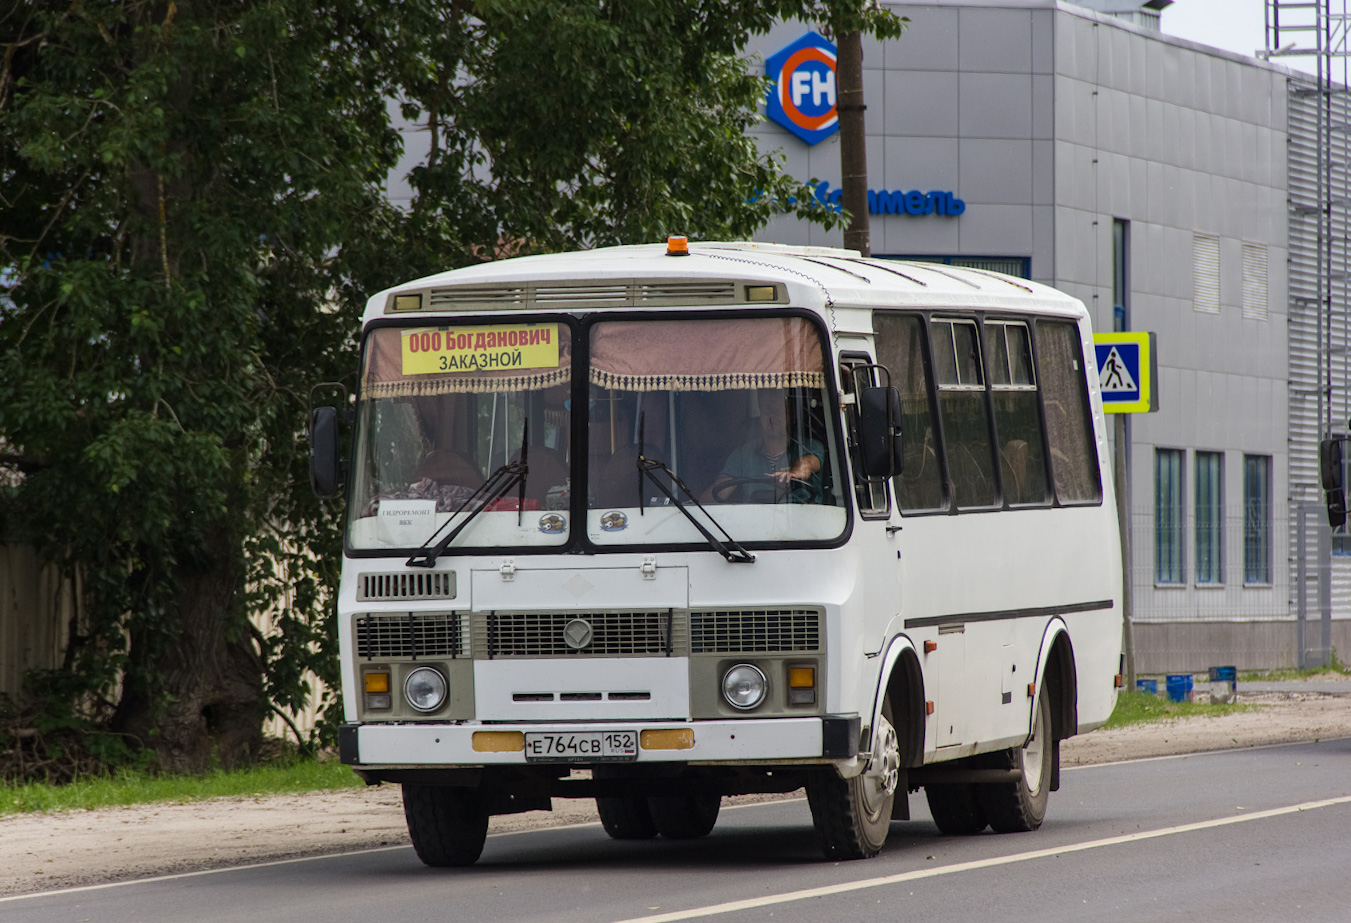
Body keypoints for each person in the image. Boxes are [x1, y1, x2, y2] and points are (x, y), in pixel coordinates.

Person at [705, 389, 823, 503]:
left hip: (802, 519)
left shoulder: (810, 446)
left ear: (790, 415)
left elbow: (808, 463)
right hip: (756, 520)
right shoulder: (742, 454)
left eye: (777, 411)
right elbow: (719, 490)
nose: (771, 417)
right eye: (766, 411)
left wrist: (794, 474)